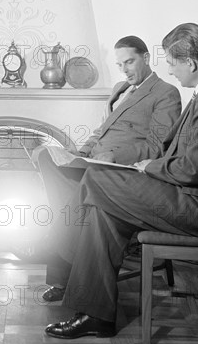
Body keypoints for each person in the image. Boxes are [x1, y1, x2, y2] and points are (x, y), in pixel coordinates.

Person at [44, 23, 198, 339]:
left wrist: (149, 167)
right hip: (193, 199)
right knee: (104, 213)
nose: (170, 70)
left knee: (98, 178)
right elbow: (188, 159)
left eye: (172, 62)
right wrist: (149, 167)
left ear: (191, 63)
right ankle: (95, 315)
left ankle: (59, 250)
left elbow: (195, 170)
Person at [34, 35, 181, 301]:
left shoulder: (165, 93)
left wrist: (114, 155)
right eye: (120, 64)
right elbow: (101, 131)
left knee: (73, 194)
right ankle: (62, 239)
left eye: (129, 62)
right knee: (46, 156)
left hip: (124, 172)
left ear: (145, 58)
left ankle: (55, 249)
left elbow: (159, 147)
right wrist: (79, 152)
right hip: (96, 163)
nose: (125, 70)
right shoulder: (120, 88)